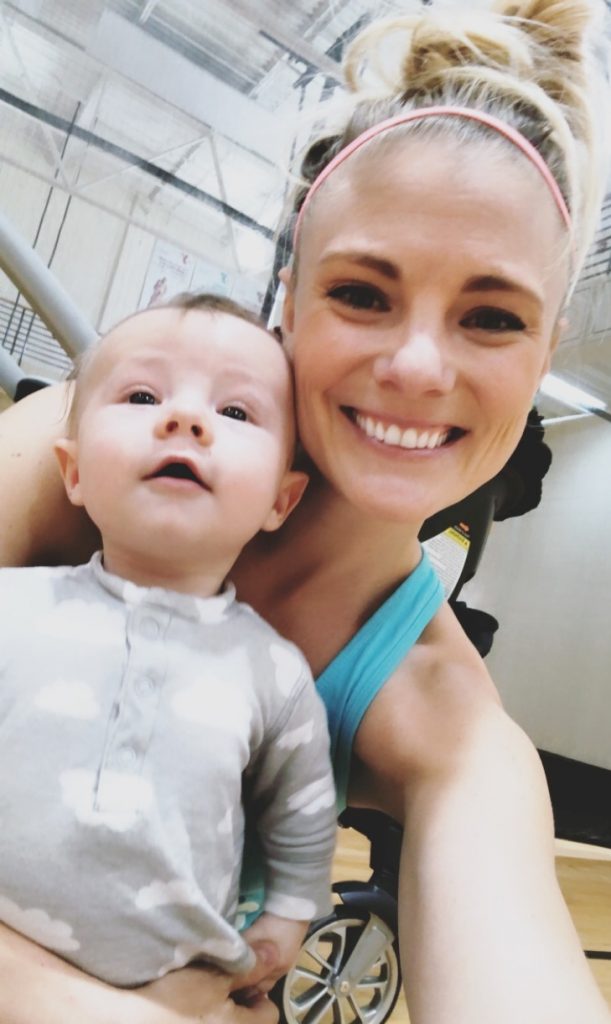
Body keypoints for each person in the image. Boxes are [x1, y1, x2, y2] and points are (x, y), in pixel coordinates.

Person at [0, 0, 609, 1021]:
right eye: (362, 294)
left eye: (491, 317)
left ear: (541, 356)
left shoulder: (448, 728)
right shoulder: (73, 454)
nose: (416, 366)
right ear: (288, 297)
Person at [0, 294, 337, 992]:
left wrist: (287, 916)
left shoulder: (274, 673)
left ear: (281, 499)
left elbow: (301, 810)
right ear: (74, 472)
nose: (184, 419)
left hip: (171, 986)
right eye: (143, 396)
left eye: (235, 411)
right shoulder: (12, 606)